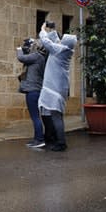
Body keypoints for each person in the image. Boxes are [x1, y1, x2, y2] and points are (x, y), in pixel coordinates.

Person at [38, 22, 77, 152]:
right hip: (55, 88)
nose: (60, 41)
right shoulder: (64, 49)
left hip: (53, 88)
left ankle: (61, 142)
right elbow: (55, 40)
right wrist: (53, 29)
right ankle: (51, 136)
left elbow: (46, 41)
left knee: (55, 115)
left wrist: (43, 29)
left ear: (64, 43)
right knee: (47, 112)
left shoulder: (59, 51)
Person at [16, 38, 46, 148]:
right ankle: (37, 139)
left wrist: (19, 48)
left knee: (35, 117)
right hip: (35, 89)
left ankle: (39, 140)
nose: (31, 46)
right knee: (35, 116)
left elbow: (21, 58)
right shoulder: (40, 57)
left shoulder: (37, 56)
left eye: (34, 45)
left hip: (33, 91)